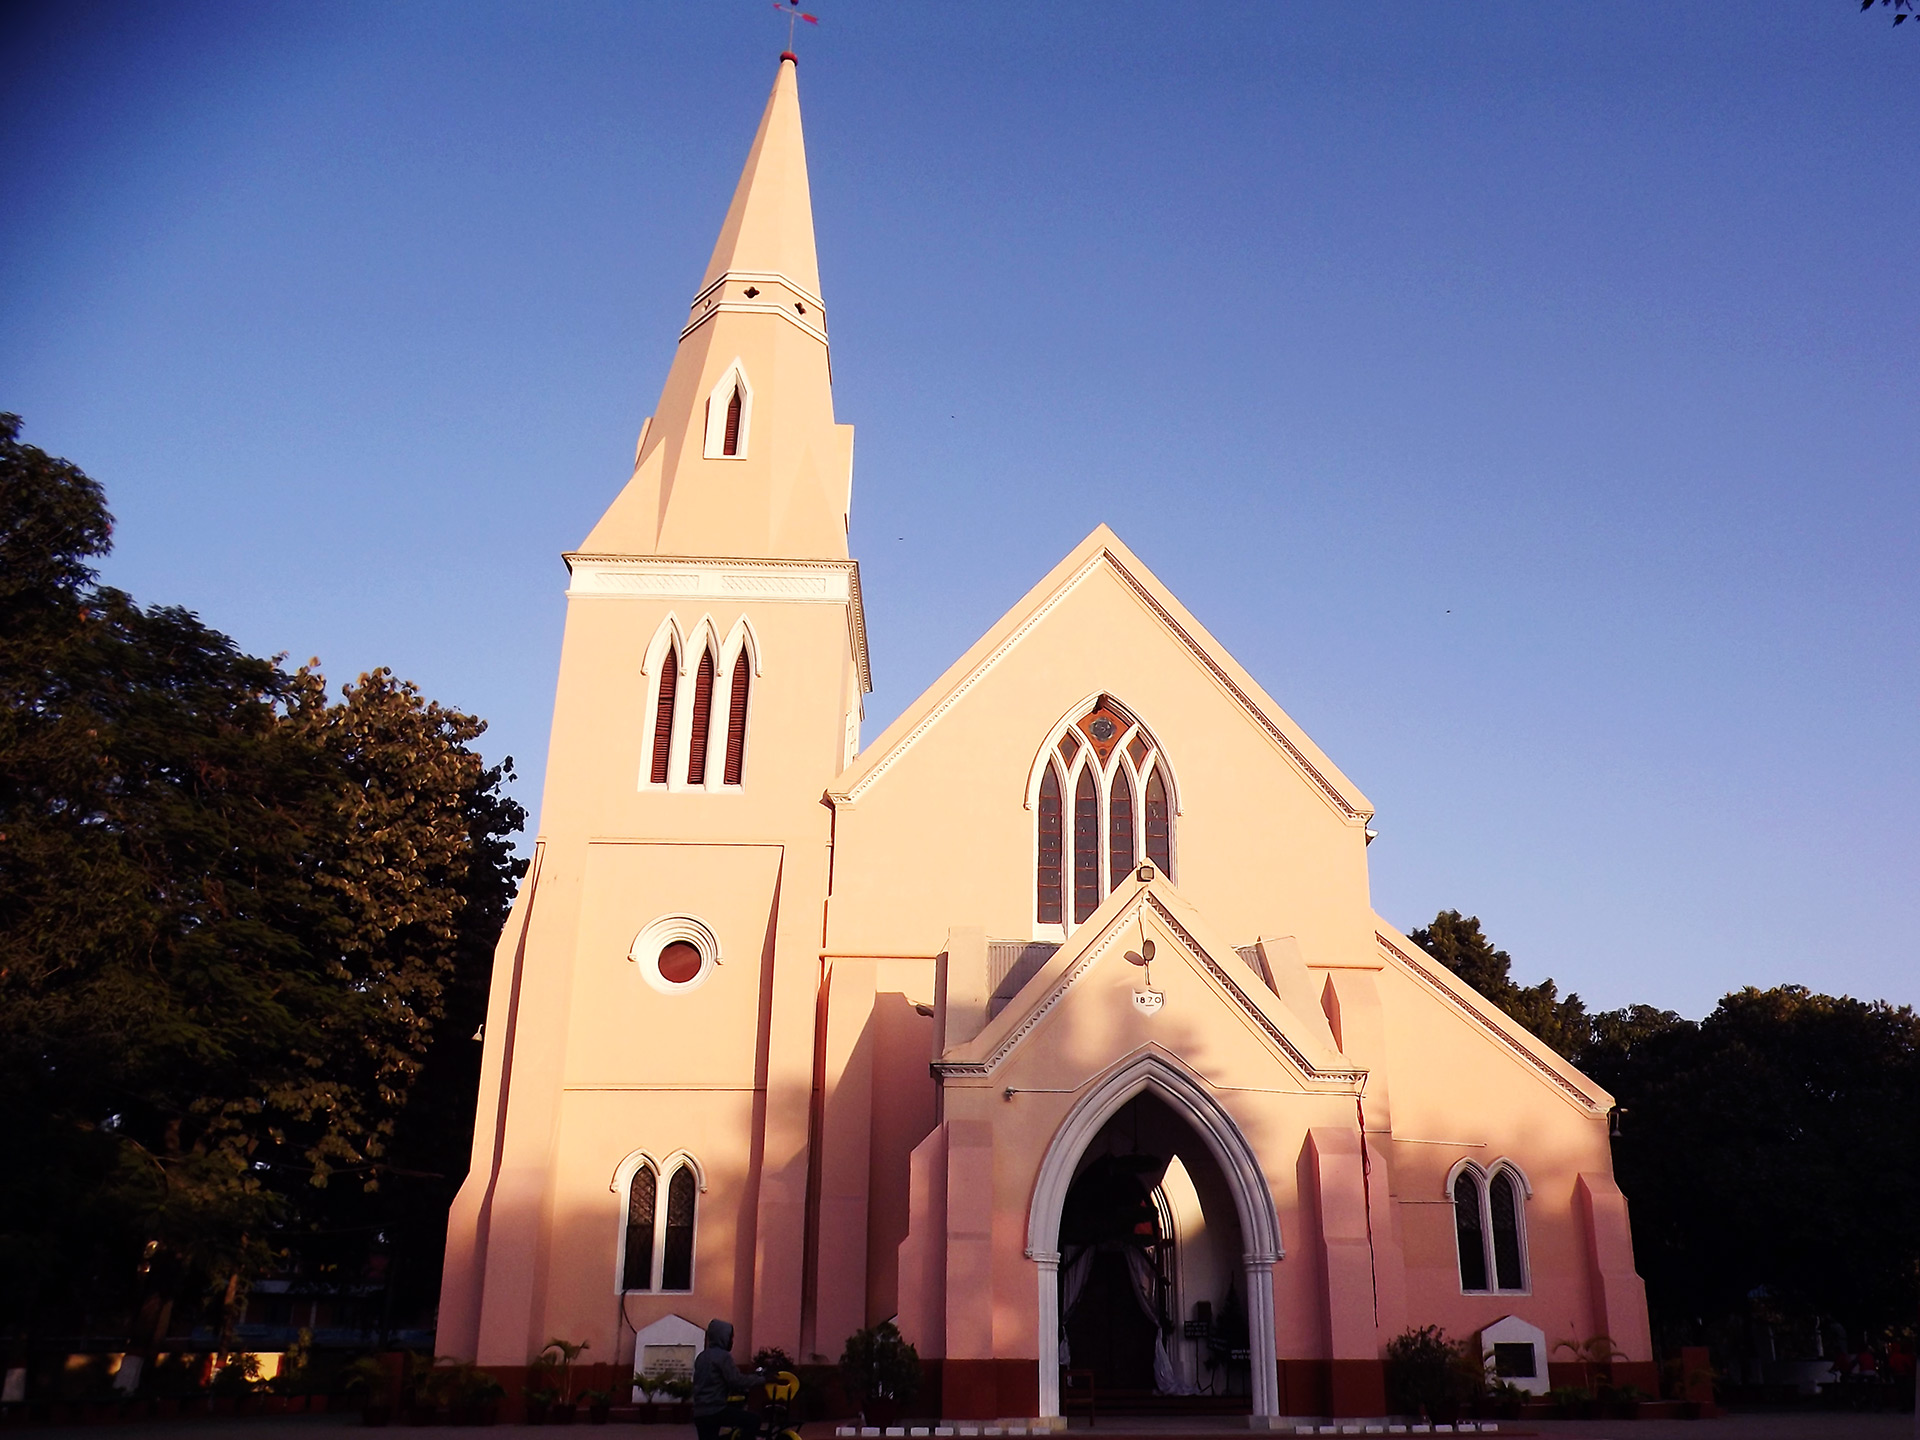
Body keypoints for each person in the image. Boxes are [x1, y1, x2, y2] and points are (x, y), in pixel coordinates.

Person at [692, 1319, 763, 1440]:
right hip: (715, 1410)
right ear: (722, 1337)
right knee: (753, 1420)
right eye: (730, 1338)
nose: (731, 1342)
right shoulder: (723, 1356)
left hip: (699, 1412)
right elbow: (736, 1381)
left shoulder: (702, 1356)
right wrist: (761, 1379)